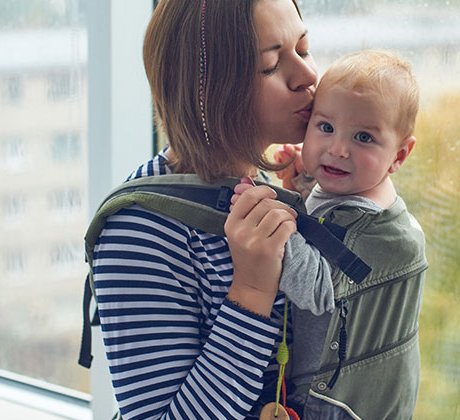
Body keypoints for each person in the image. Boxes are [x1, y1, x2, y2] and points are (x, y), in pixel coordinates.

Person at [88, 0, 318, 419]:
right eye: (270, 65)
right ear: (206, 88)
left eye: (303, 50)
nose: (308, 76)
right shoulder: (138, 230)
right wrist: (251, 291)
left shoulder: (269, 189)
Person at [235, 49, 427, 419]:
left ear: (399, 156)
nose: (338, 149)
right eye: (325, 128)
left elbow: (318, 289)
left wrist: (269, 218)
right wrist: (305, 184)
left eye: (363, 138)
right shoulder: (350, 189)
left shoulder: (385, 237)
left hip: (340, 406)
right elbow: (328, 221)